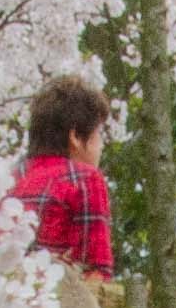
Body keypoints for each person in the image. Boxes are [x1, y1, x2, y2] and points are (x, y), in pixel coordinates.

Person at [16, 74, 115, 276]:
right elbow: (96, 270)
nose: (101, 145)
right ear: (76, 136)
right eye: (98, 134)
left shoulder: (10, 176)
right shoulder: (84, 179)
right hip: (56, 298)